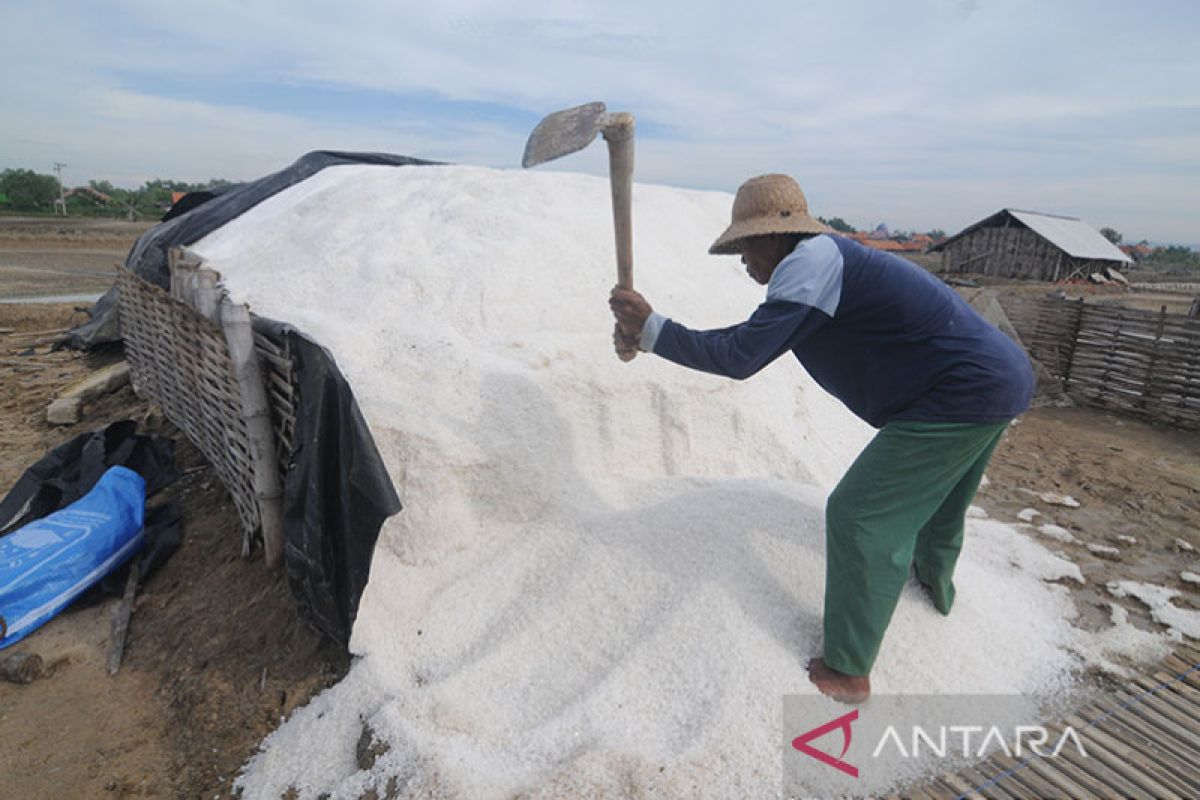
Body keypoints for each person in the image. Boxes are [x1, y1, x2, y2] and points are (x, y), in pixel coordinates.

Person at [609, 174, 1034, 704]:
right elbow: (752, 341)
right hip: (998, 378)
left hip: (958, 394)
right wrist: (650, 334)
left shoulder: (808, 265)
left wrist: (651, 329)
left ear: (771, 238)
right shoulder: (829, 261)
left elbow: (741, 356)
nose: (744, 263)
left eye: (745, 247)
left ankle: (849, 671)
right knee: (941, 503)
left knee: (860, 516)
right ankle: (934, 589)